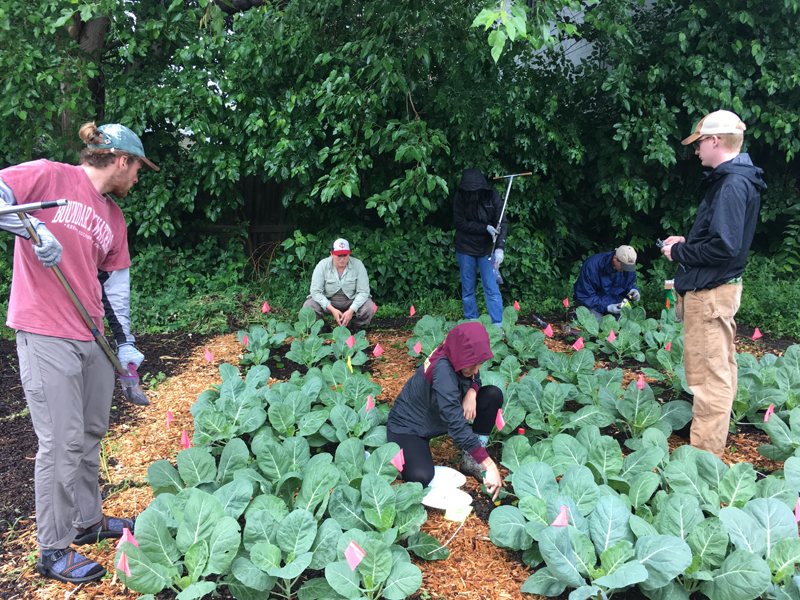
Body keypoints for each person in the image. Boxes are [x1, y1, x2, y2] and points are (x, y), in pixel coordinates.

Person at [0, 122, 155, 583]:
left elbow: (116, 288)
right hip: (45, 330)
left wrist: (126, 348)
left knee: (90, 433)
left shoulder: (114, 218)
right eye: (138, 170)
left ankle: (88, 523)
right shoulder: (50, 177)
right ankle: (51, 548)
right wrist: (31, 232)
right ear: (122, 160)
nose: (137, 180)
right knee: (61, 441)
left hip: (93, 337)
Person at [661, 109, 766, 458]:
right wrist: (686, 243)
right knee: (720, 369)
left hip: (709, 295)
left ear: (715, 141)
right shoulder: (736, 180)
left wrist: (680, 253)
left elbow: (724, 246)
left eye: (700, 142)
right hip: (716, 290)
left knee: (708, 379)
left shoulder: (732, 184)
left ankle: (703, 461)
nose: (696, 151)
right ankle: (713, 442)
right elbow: (722, 238)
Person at [387, 322, 504, 500]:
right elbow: (456, 425)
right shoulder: (443, 370)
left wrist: (472, 390)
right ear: (460, 359)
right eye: (472, 366)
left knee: (492, 395)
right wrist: (489, 465)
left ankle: (471, 462)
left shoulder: (456, 353)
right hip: (409, 426)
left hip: (437, 416)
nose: (476, 370)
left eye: (479, 364)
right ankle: (393, 460)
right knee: (420, 476)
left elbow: (476, 376)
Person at [453, 169, 507, 328]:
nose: (473, 193)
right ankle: (472, 324)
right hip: (465, 247)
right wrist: (485, 228)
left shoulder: (492, 196)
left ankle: (497, 325)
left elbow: (501, 222)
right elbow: (460, 224)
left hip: (487, 248)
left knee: (491, 287)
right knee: (468, 289)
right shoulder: (460, 197)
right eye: (470, 190)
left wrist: (500, 248)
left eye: (476, 189)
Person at [302, 238, 375, 329]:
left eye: (345, 255)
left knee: (370, 307)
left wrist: (351, 310)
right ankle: (322, 327)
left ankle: (357, 326)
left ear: (349, 254)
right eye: (338, 255)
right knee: (308, 306)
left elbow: (364, 292)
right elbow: (315, 291)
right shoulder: (322, 265)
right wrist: (332, 309)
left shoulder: (358, 264)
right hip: (329, 301)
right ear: (331, 254)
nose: (342, 259)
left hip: (351, 300)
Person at [573, 246, 639, 324]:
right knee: (599, 326)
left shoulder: (628, 268)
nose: (626, 269)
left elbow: (627, 286)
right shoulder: (591, 266)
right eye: (624, 266)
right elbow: (586, 296)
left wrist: (633, 291)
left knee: (628, 324)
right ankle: (574, 314)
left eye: (629, 267)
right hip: (592, 304)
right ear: (615, 258)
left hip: (615, 304)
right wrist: (607, 307)